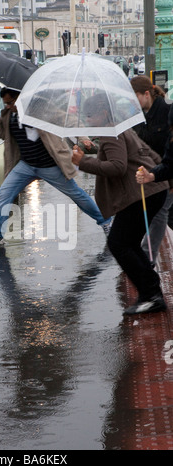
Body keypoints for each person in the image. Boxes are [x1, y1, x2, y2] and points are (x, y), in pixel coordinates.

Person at [72, 92, 169, 315]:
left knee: (119, 244)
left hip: (141, 194)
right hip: (151, 191)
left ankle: (151, 295)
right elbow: (149, 155)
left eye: (90, 115)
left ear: (104, 113)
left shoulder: (111, 134)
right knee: (129, 243)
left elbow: (117, 167)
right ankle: (151, 291)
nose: (88, 120)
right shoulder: (119, 129)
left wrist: (83, 162)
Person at [0, 87, 112, 245]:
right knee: (4, 193)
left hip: (49, 165)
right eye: (5, 103)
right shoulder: (9, 114)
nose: (8, 106)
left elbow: (68, 120)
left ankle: (105, 222)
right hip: (26, 165)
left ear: (20, 98)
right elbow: (2, 134)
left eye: (10, 102)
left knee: (76, 194)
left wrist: (83, 137)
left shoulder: (41, 109)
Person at [131, 75, 173, 264]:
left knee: (161, 213)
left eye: (136, 97)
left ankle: (148, 257)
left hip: (166, 173)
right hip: (150, 173)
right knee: (161, 214)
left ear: (146, 94)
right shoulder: (139, 117)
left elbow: (169, 149)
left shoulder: (166, 112)